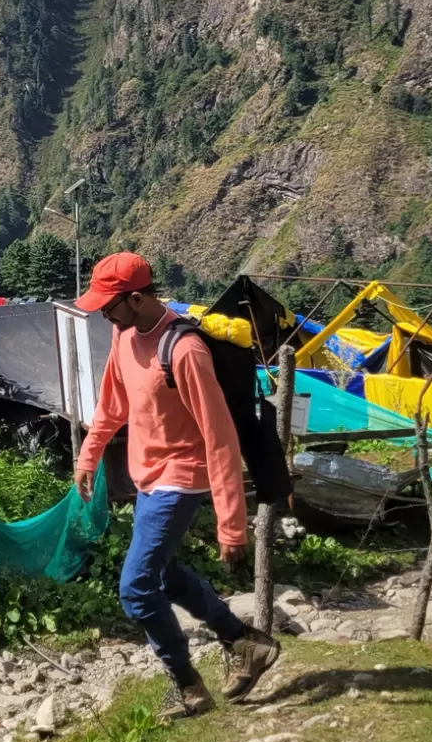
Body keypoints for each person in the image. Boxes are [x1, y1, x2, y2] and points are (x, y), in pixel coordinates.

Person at [73, 251, 280, 717]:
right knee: (163, 575)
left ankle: (188, 686)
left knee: (135, 587)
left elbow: (220, 435)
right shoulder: (123, 335)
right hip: (147, 476)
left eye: (110, 304)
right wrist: (88, 457)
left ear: (139, 298)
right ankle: (244, 641)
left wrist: (231, 524)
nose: (104, 312)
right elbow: (111, 405)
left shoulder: (184, 350)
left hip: (182, 478)